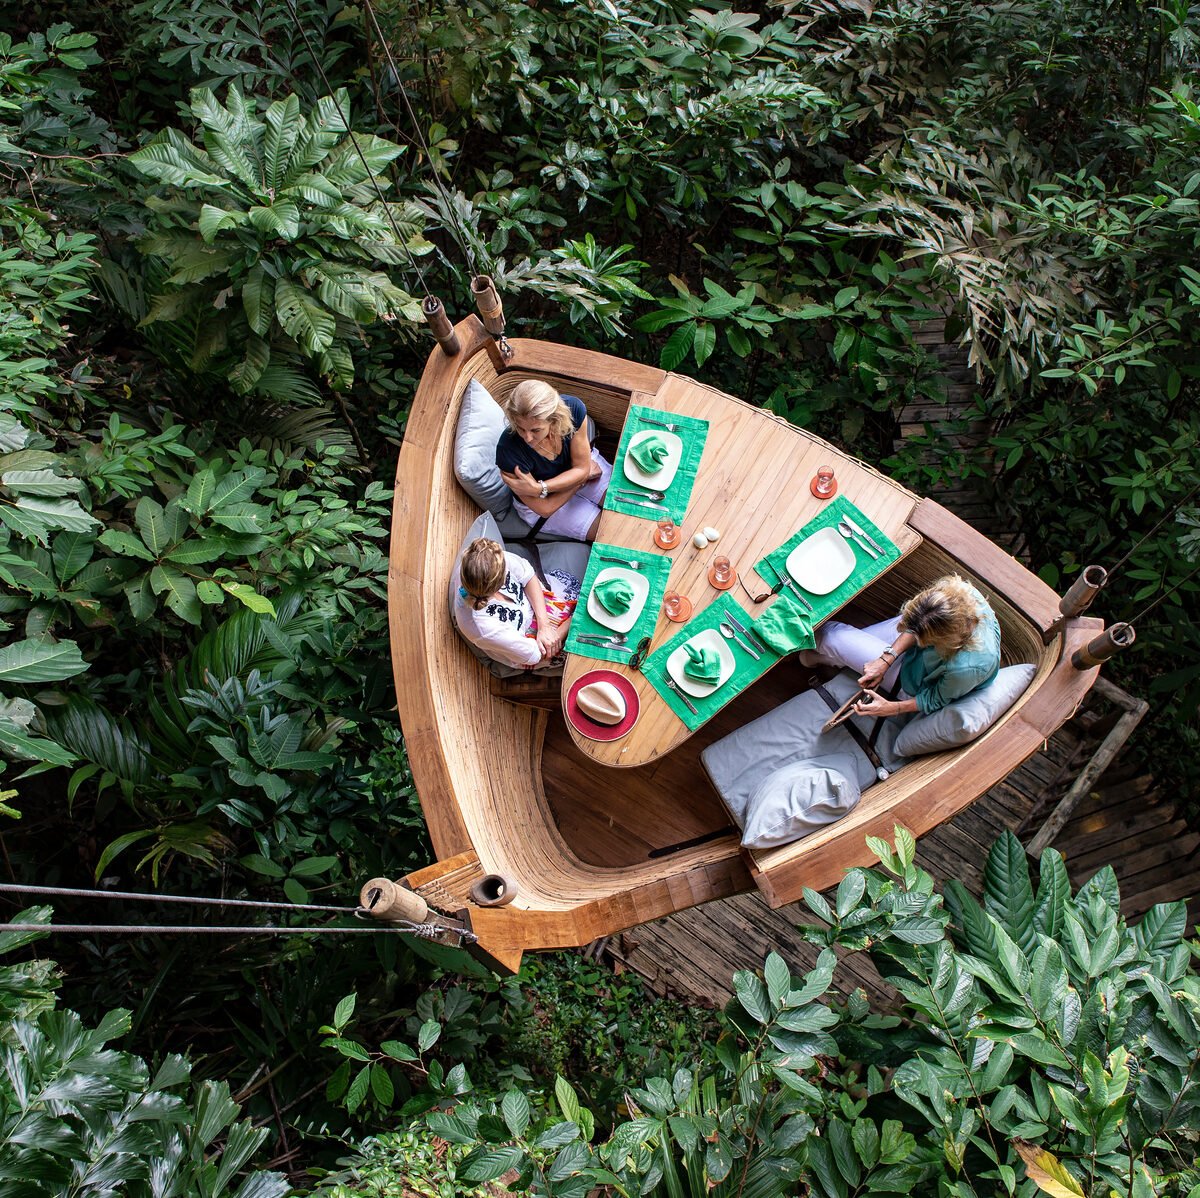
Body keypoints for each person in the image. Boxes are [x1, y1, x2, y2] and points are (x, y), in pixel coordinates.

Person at [804, 575, 1001, 719]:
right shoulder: (954, 594)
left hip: (917, 677)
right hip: (923, 633)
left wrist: (890, 708)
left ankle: (813, 659)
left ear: (942, 640)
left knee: (830, 635)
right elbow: (913, 628)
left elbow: (935, 699)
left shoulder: (967, 668)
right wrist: (886, 659)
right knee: (834, 642)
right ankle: (817, 659)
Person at [496, 380, 612, 541]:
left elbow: (581, 469)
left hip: (560, 477)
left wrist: (538, 487)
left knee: (626, 502)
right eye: (521, 428)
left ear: (554, 419)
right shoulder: (508, 451)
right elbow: (545, 508)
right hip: (546, 501)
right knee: (609, 531)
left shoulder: (573, 410)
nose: (527, 438)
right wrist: (578, 480)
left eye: (536, 430)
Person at [453, 538, 578, 671]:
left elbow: (528, 576)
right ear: (499, 583)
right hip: (530, 644)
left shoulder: (484, 560)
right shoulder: (485, 627)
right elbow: (535, 654)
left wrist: (544, 625)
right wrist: (572, 621)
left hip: (539, 609)